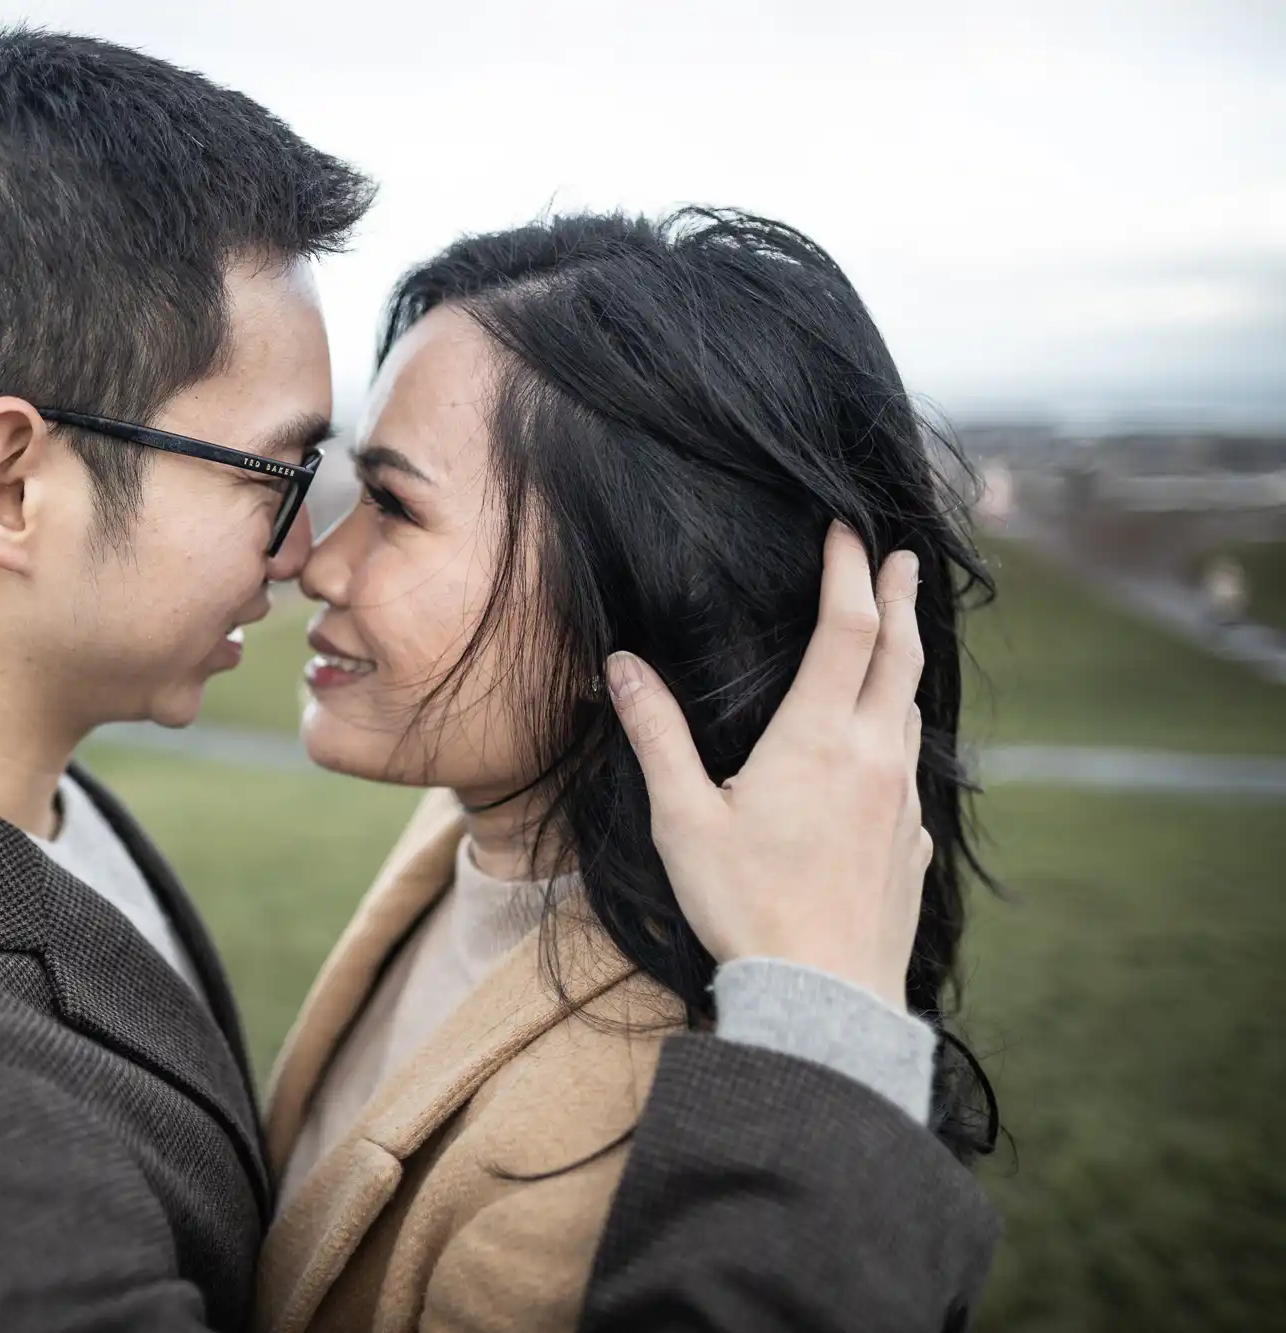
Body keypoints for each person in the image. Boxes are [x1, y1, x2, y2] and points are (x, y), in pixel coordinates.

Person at [0, 32, 994, 1332]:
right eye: (280, 474)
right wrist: (828, 1055)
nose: (303, 554)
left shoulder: (22, 809)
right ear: (13, 490)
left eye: (374, 495)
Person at [258, 210, 1000, 1333]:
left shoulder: (612, 1164)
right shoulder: (485, 832)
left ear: (632, 593)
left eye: (396, 505)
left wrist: (824, 1027)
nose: (315, 562)